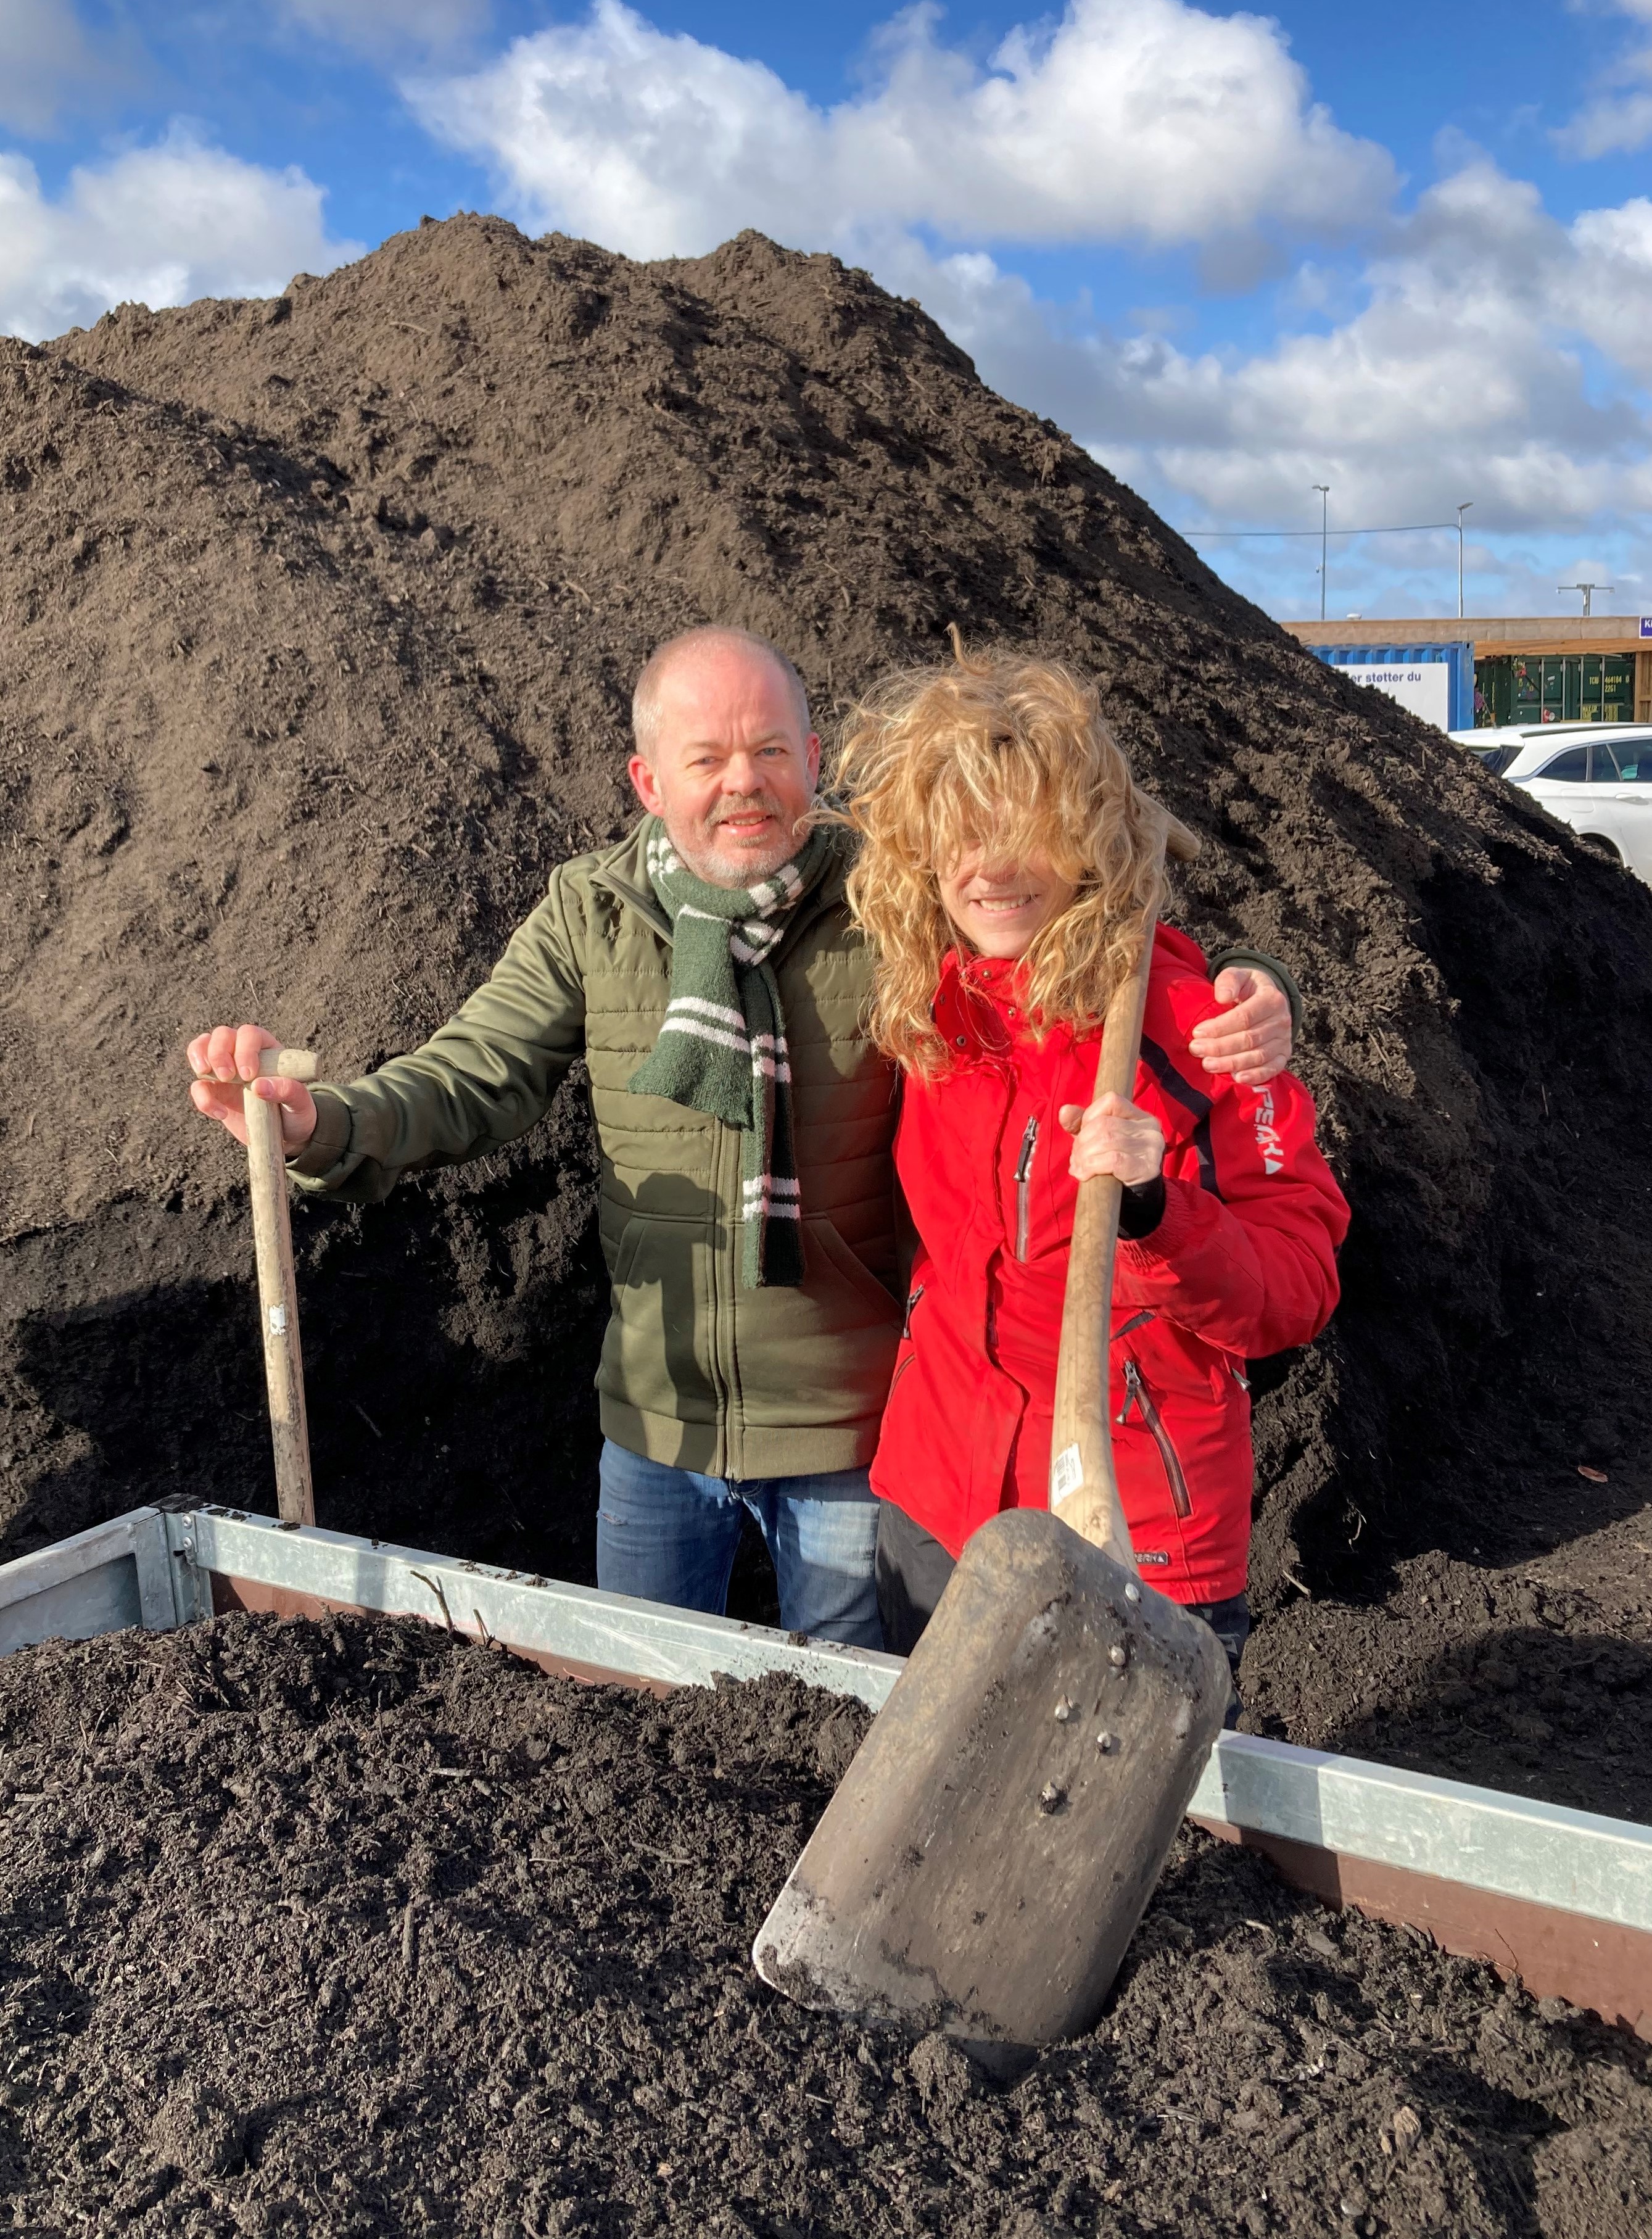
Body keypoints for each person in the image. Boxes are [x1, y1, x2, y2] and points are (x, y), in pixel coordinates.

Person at [186, 626, 1300, 1648]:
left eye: (769, 750)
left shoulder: (887, 909)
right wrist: (317, 1122)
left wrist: (1249, 995)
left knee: (849, 1735)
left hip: (850, 1435)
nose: (742, 783)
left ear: (812, 759)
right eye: (708, 757)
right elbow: (472, 1077)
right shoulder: (595, 911)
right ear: (648, 779)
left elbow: (1060, 936)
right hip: (657, 1425)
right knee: (637, 1725)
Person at [830, 643, 1349, 1694]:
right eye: (960, 834)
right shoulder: (924, 1011)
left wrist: (1160, 1212)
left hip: (1134, 1526)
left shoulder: (1203, 1033)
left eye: (1024, 829)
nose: (989, 866)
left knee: (1114, 1835)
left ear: (1085, 838)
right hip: (934, 1506)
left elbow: (1298, 1289)